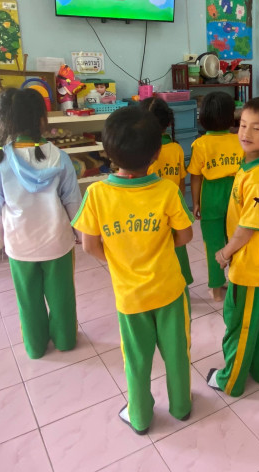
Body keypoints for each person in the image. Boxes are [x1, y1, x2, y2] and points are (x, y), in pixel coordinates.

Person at [73, 107, 195, 434]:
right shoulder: (167, 190)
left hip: (130, 297)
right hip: (169, 290)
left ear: (107, 152)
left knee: (136, 360)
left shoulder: (97, 194)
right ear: (156, 154)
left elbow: (88, 245)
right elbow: (185, 236)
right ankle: (181, 406)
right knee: (177, 353)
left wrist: (118, 260)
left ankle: (139, 417)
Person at [0, 88, 81, 359]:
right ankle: (65, 340)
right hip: (57, 242)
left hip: (20, 245)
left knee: (28, 299)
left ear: (6, 120)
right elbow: (73, 200)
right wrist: (81, 234)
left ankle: (35, 347)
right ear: (41, 119)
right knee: (62, 296)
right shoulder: (59, 157)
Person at [206, 97, 259, 397]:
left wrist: (225, 252)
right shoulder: (255, 166)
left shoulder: (258, 179)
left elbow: (249, 226)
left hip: (251, 264)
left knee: (240, 324)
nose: (246, 133)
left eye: (256, 128)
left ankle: (231, 380)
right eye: (242, 125)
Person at [187, 92, 243, 301]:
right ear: (231, 116)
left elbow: (196, 177)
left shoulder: (200, 144)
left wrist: (196, 203)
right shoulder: (239, 140)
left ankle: (217, 289)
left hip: (211, 194)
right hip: (237, 193)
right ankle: (237, 282)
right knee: (236, 240)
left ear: (203, 117)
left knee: (213, 243)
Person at [143, 96, 193, 285]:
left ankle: (161, 283)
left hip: (150, 211)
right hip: (173, 208)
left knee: (155, 250)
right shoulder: (176, 148)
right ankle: (182, 281)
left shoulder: (141, 152)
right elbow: (181, 183)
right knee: (178, 248)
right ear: (168, 123)